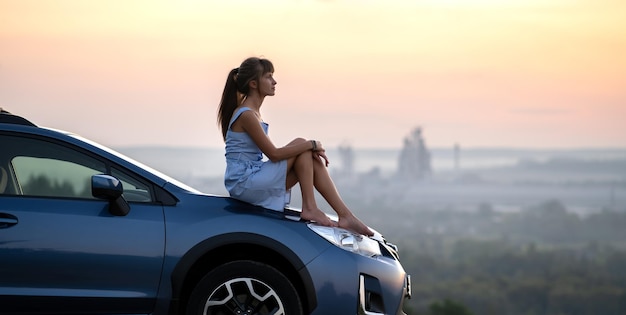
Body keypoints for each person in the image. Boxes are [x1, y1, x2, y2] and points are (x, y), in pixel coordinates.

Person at [217, 57, 373, 236]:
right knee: (302, 144)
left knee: (309, 157)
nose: (274, 82)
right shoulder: (246, 115)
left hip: (253, 176)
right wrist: (311, 144)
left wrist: (308, 148)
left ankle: (345, 215)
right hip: (244, 182)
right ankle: (311, 207)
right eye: (268, 77)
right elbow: (274, 154)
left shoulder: (253, 113)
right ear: (253, 83)